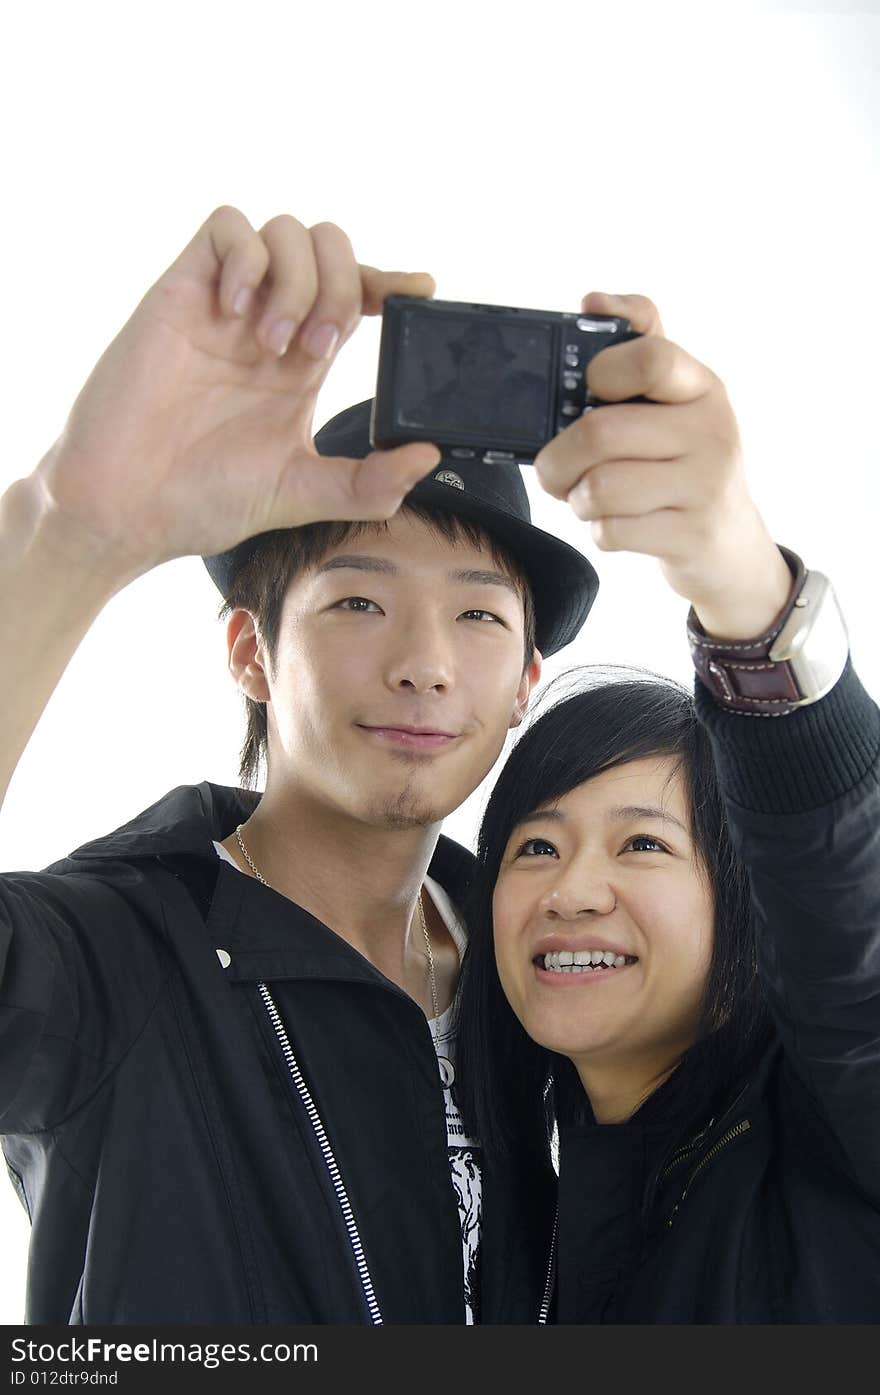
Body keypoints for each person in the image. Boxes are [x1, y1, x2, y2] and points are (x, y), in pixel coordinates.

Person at [0, 205, 603, 1324]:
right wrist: (72, 528)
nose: (426, 665)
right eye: (361, 601)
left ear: (524, 683)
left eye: (478, 617)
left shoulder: (539, 961)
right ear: (251, 652)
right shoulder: (121, 953)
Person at [454, 358, 879, 1318]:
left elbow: (851, 927)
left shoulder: (833, 1139)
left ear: (744, 898)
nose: (572, 889)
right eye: (536, 846)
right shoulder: (518, 1217)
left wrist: (744, 591)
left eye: (642, 845)